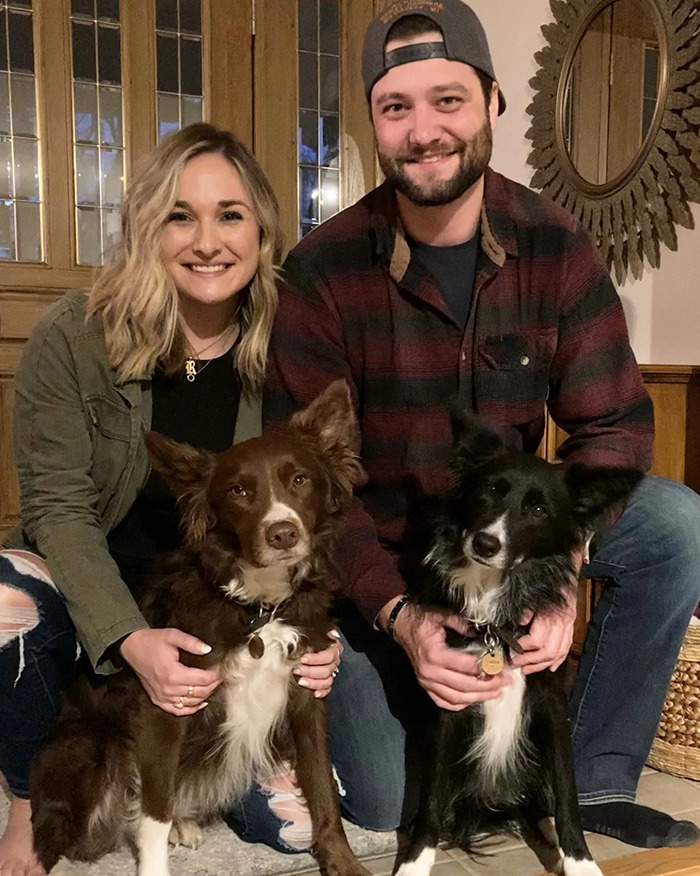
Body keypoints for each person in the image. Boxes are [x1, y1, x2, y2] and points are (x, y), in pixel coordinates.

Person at [264, 0, 700, 852]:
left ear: (494, 104)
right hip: (381, 565)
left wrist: (565, 569)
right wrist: (401, 617)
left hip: (512, 533)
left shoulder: (556, 245)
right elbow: (315, 487)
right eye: (397, 107)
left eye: (448, 100)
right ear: (374, 125)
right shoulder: (320, 273)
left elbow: (612, 427)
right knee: (392, 802)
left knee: (676, 524)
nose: (424, 130)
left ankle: (597, 776)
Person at [0, 123, 341, 876]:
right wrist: (127, 637)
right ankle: (28, 794)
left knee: (343, 803)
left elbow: (318, 490)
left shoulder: (290, 333)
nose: (207, 240)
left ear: (262, 231)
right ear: (145, 228)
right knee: (3, 603)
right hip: (100, 584)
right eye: (180, 215)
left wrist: (321, 633)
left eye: (230, 215)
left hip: (229, 596)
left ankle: (223, 778)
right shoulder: (76, 333)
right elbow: (58, 509)